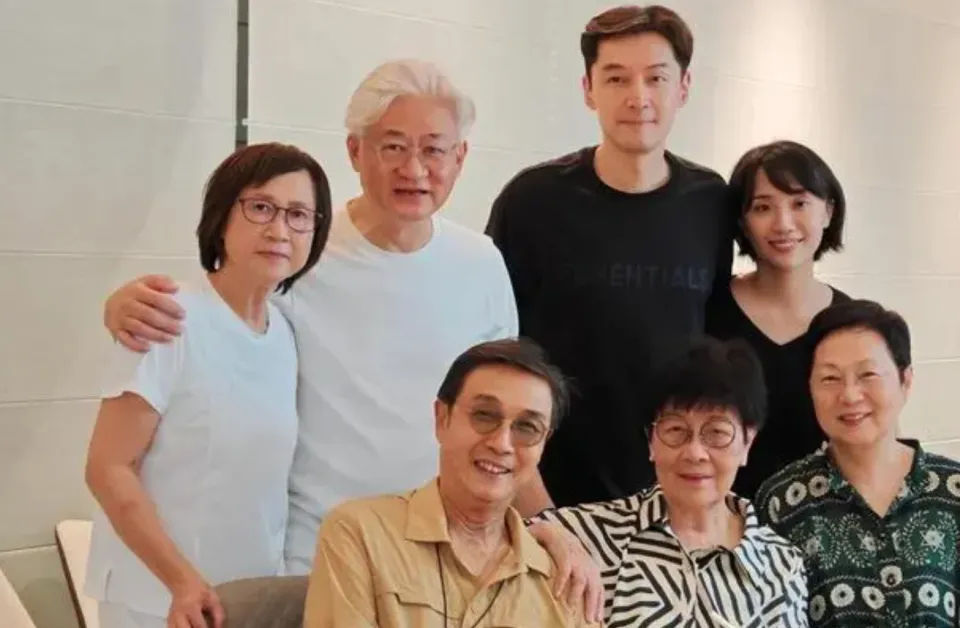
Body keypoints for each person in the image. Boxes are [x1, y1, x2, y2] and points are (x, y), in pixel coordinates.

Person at [99, 60, 519, 574]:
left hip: (443, 552)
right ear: (355, 151)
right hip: (318, 552)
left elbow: (508, 410)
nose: (414, 170)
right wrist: (119, 306)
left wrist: (539, 526)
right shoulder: (302, 252)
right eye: (393, 147)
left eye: (433, 149)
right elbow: (214, 311)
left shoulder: (482, 265)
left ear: (460, 157)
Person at [485, 4, 734, 513]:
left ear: (684, 88)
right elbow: (492, 351)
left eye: (656, 78)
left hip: (672, 497)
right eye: (617, 78)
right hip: (546, 494)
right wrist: (534, 502)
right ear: (588, 89)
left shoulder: (711, 203)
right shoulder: (532, 201)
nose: (638, 97)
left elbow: (718, 343)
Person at [84, 143, 333, 628]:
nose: (279, 230)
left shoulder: (285, 333)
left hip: (245, 595)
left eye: (298, 214)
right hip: (157, 599)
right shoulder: (168, 317)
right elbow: (108, 467)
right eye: (260, 207)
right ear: (221, 217)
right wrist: (182, 581)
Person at [303, 338, 600, 628]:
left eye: (527, 427)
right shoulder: (361, 533)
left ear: (543, 445)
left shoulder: (565, 579)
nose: (501, 443)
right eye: (484, 415)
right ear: (442, 418)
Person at [529, 337, 809, 627]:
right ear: (651, 440)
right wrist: (553, 536)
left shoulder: (781, 564)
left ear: (747, 442)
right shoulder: (592, 534)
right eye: (676, 430)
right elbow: (503, 536)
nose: (695, 453)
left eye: (716, 433)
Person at [755, 300, 960, 627]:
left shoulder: (952, 490)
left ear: (905, 380)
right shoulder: (782, 503)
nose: (850, 396)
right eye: (830, 378)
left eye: (868, 374)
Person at [706, 140, 850, 498]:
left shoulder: (851, 324)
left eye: (799, 203)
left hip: (824, 518)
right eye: (762, 207)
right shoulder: (706, 310)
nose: (783, 224)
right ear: (742, 222)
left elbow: (880, 437)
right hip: (722, 520)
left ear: (828, 211)